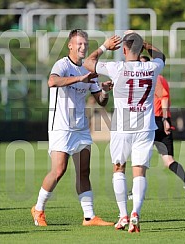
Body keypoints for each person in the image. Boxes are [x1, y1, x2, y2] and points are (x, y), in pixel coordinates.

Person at [31, 29, 114, 227]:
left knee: (84, 171)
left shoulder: (88, 70)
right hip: (61, 126)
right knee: (59, 170)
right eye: (79, 44)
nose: (83, 47)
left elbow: (101, 102)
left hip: (81, 127)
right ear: (70, 45)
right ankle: (38, 209)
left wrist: (104, 90)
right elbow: (52, 81)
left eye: (85, 44)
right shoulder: (62, 64)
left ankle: (89, 217)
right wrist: (79, 79)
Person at [84, 31, 165, 233]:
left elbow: (88, 62)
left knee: (119, 168)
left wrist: (104, 46)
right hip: (145, 127)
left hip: (122, 127)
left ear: (124, 49)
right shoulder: (152, 67)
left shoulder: (117, 67)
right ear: (139, 49)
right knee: (140, 172)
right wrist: (144, 43)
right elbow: (161, 56)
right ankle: (136, 212)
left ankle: (123, 215)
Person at [140, 55, 185, 201]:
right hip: (159, 122)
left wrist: (165, 119)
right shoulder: (156, 78)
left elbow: (164, 98)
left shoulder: (154, 79)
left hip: (153, 122)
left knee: (140, 159)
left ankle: (136, 191)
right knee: (168, 161)